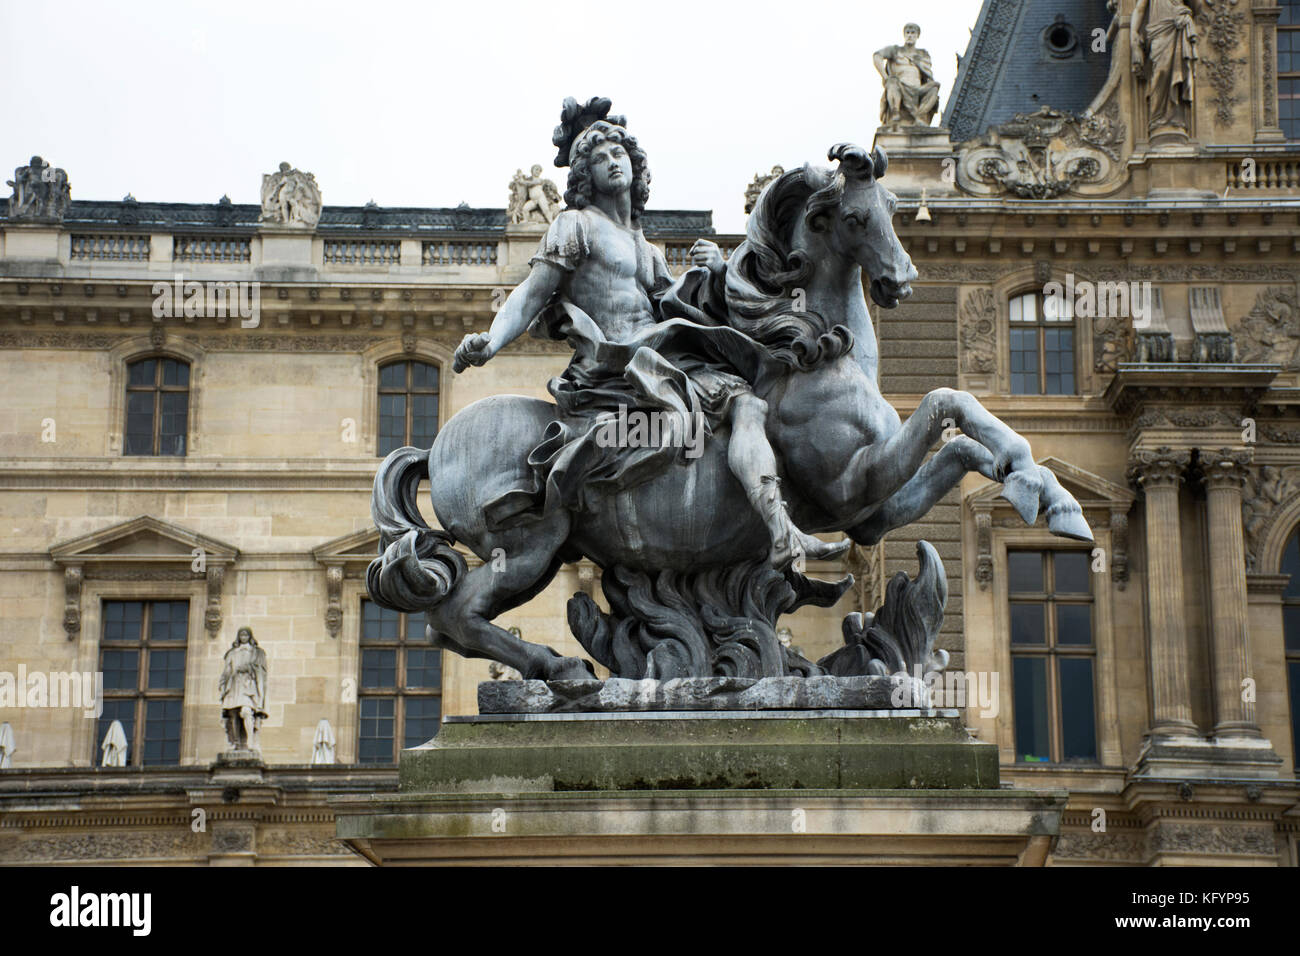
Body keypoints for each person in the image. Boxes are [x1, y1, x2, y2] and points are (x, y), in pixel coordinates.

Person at [454, 109, 848, 568]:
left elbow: (680, 309)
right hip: (618, 364)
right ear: (586, 174)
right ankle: (780, 531)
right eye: (600, 158)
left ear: (635, 165)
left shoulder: (647, 249)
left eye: (619, 153)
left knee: (751, 399)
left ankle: (778, 530)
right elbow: (531, 293)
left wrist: (715, 271)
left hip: (661, 353)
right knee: (743, 403)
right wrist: (492, 339)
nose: (613, 162)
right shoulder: (575, 225)